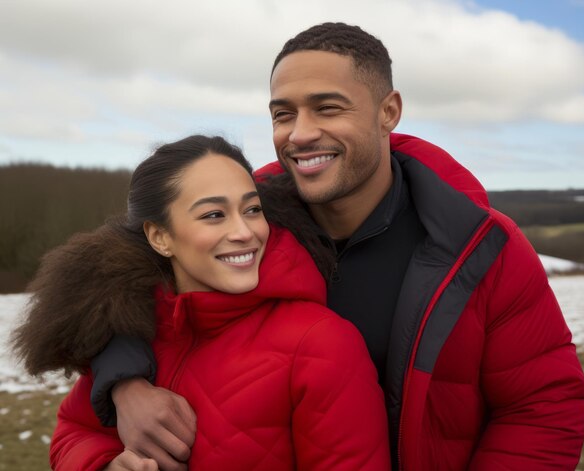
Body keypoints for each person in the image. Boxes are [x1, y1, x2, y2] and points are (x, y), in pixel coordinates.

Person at [29, 23, 584, 470]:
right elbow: (114, 280)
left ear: (388, 111)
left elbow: (543, 404)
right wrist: (124, 384)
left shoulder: (479, 245)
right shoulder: (246, 218)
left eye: (327, 107)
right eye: (282, 113)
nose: (299, 133)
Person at [11, 135, 390, 470]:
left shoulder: (323, 343)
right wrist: (106, 465)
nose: (245, 232)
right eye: (213, 215)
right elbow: (73, 431)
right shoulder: (130, 327)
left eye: (252, 209)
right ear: (160, 237)